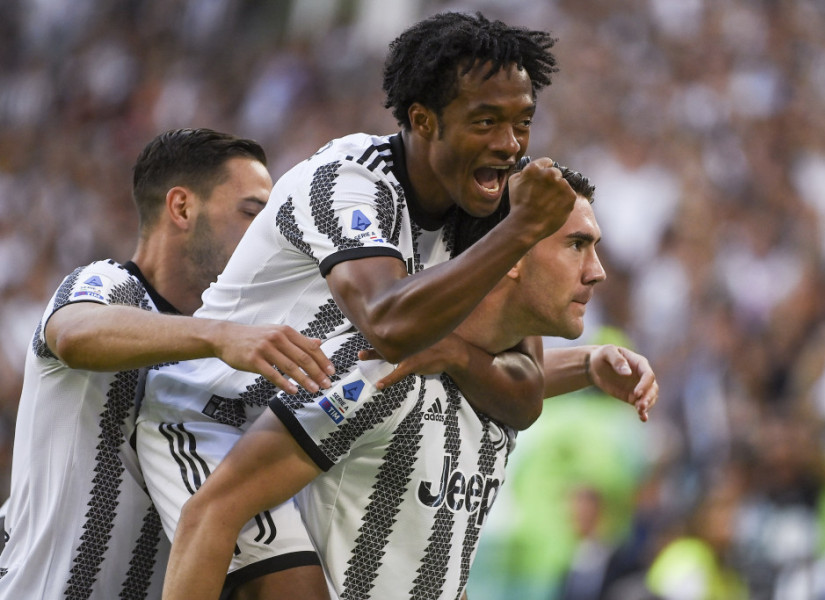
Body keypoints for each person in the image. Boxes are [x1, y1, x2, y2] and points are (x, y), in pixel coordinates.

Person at [137, 11, 655, 599]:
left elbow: (523, 386)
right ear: (423, 120)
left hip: (304, 419)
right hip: (208, 415)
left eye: (523, 123)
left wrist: (564, 362)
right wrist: (520, 232)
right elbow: (389, 327)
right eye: (486, 121)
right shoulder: (349, 183)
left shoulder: (476, 209)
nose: (510, 145)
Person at [161, 163, 612, 599]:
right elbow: (211, 512)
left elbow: (438, 571)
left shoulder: (497, 391)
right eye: (577, 245)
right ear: (513, 253)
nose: (596, 271)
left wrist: (591, 364)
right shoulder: (376, 367)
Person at [0, 128, 334, 600]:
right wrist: (220, 336)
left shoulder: (236, 349)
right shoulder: (109, 284)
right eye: (252, 213)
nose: (267, 235)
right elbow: (74, 334)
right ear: (181, 208)